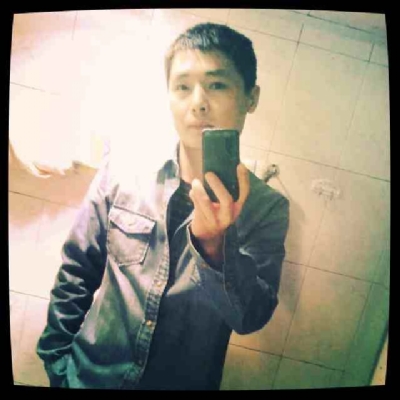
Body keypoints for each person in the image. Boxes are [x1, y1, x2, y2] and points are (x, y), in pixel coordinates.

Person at [36, 22, 290, 390]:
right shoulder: (123, 169)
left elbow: (250, 318)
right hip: (87, 378)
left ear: (251, 98)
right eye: (182, 87)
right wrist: (58, 364)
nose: (198, 102)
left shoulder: (266, 209)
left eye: (217, 85)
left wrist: (215, 247)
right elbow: (77, 270)